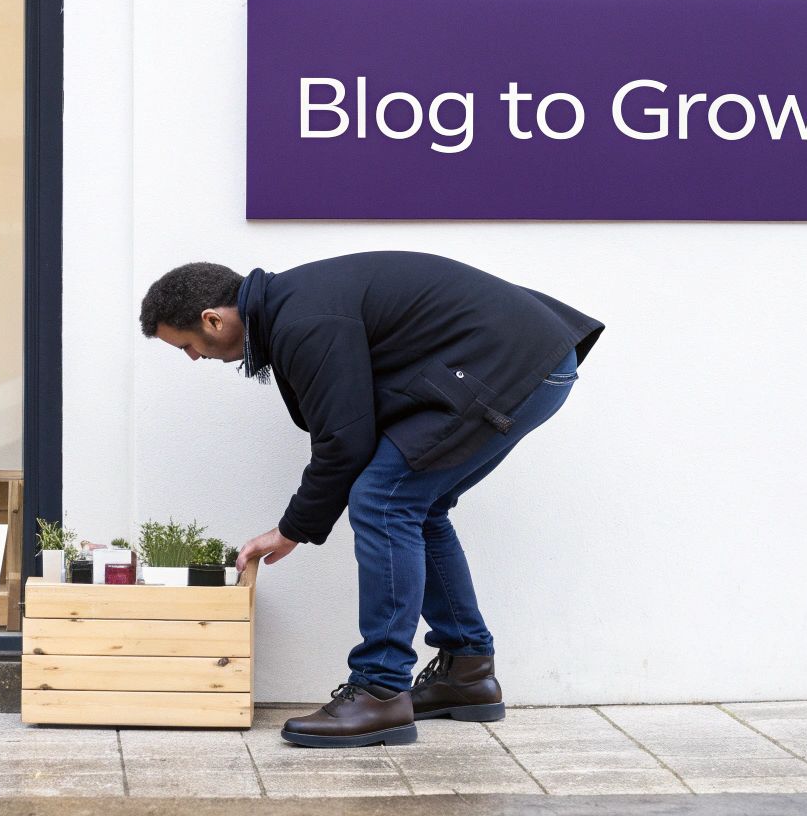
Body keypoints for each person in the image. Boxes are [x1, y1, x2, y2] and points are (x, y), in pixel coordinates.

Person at [139, 252, 603, 748]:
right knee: (410, 504)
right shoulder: (294, 307)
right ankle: (466, 672)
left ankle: (380, 690)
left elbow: (344, 442)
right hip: (528, 359)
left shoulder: (303, 320)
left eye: (187, 345)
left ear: (213, 320)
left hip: (514, 364)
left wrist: (291, 529)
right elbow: (352, 425)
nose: (192, 358)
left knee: (383, 499)